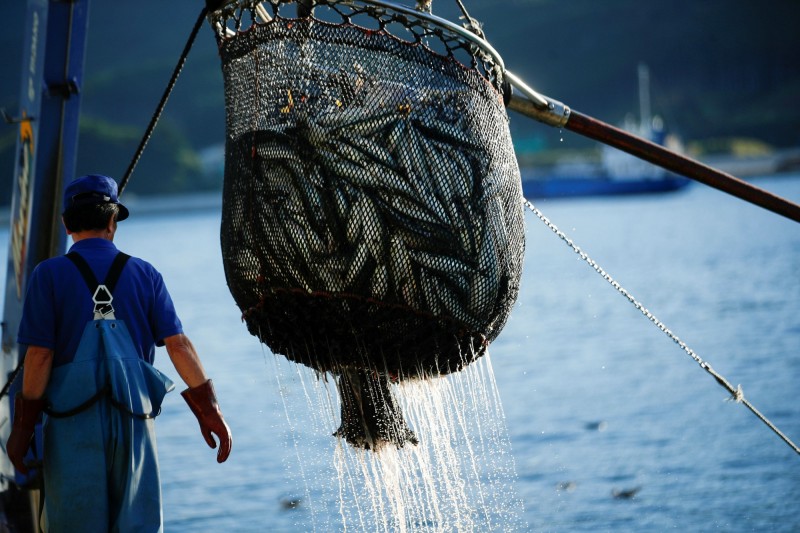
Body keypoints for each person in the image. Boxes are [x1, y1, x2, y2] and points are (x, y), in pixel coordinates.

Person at [6, 174, 232, 532]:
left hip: (70, 427)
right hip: (134, 424)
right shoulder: (145, 274)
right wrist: (209, 410)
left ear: (66, 224)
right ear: (113, 222)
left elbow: (40, 357)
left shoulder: (47, 275)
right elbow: (179, 345)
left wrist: (23, 427)